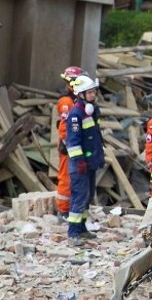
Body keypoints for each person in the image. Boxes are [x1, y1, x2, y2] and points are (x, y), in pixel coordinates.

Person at [65, 75, 104, 247]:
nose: (93, 94)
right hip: (80, 165)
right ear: (80, 94)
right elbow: (73, 142)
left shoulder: (91, 110)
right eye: (90, 92)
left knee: (87, 197)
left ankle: (82, 229)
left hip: (90, 163)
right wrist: (79, 161)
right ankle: (73, 233)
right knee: (79, 197)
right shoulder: (75, 114)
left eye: (94, 91)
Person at [55, 66, 88, 220]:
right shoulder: (66, 101)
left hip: (73, 145)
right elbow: (64, 127)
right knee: (66, 178)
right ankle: (62, 210)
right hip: (68, 146)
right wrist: (69, 144)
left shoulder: (75, 99)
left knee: (73, 178)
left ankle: (70, 209)